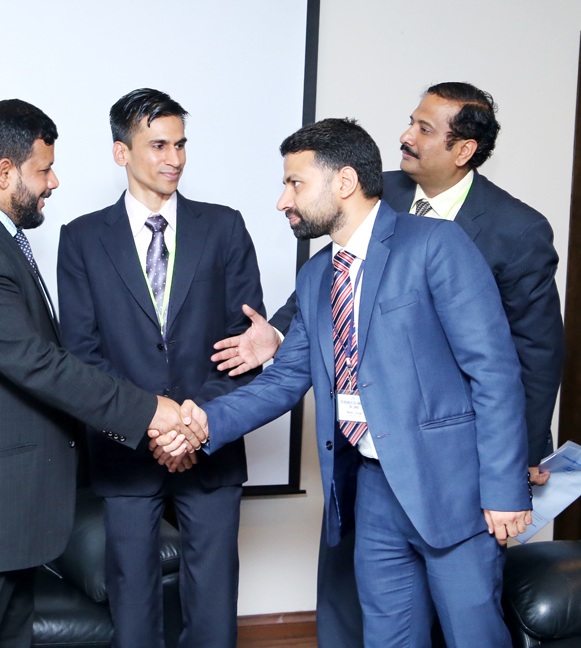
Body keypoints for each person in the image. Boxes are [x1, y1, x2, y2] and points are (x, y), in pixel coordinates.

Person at [214, 82, 563, 646]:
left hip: (455, 478)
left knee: (472, 630)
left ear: (463, 150)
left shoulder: (476, 236)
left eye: (425, 129)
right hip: (373, 476)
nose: (405, 136)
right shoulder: (344, 237)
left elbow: (512, 362)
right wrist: (204, 419)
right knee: (386, 631)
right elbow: (302, 347)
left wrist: (508, 478)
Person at [0, 98, 202, 648]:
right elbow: (38, 365)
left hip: (3, 514)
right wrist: (151, 410)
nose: (54, 182)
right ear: (5, 172)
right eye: (43, 169)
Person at [56, 88, 264, 648]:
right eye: (158, 145)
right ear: (121, 153)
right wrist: (151, 423)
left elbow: (246, 342)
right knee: (133, 599)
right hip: (124, 447)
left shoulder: (224, 227)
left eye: (180, 144)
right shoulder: (79, 239)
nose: (174, 158)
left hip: (210, 440)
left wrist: (195, 424)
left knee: (215, 601)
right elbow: (81, 353)